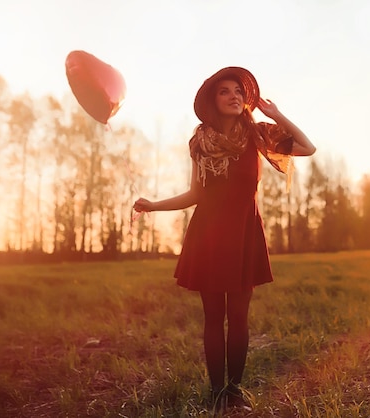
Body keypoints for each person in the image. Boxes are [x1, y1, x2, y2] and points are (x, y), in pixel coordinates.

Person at [133, 67, 316, 412]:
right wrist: (153, 206)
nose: (234, 96)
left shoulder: (258, 135)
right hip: (210, 234)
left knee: (240, 315)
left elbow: (307, 147)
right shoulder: (201, 142)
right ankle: (217, 392)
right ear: (212, 101)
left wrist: (275, 114)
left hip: (245, 231)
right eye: (224, 91)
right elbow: (196, 193)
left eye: (238, 91)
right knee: (214, 316)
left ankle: (234, 391)